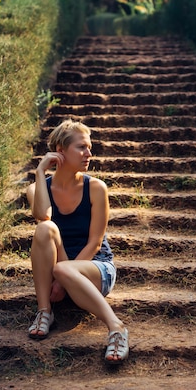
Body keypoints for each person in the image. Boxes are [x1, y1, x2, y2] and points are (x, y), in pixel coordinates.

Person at [25, 119, 128, 364]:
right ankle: (44, 312)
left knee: (62, 268)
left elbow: (95, 242)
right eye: (81, 147)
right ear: (60, 150)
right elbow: (43, 216)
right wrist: (40, 173)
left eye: (89, 147)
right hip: (59, 266)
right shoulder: (37, 188)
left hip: (95, 267)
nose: (88, 154)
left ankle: (117, 328)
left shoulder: (96, 188)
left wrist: (62, 277)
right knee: (45, 228)